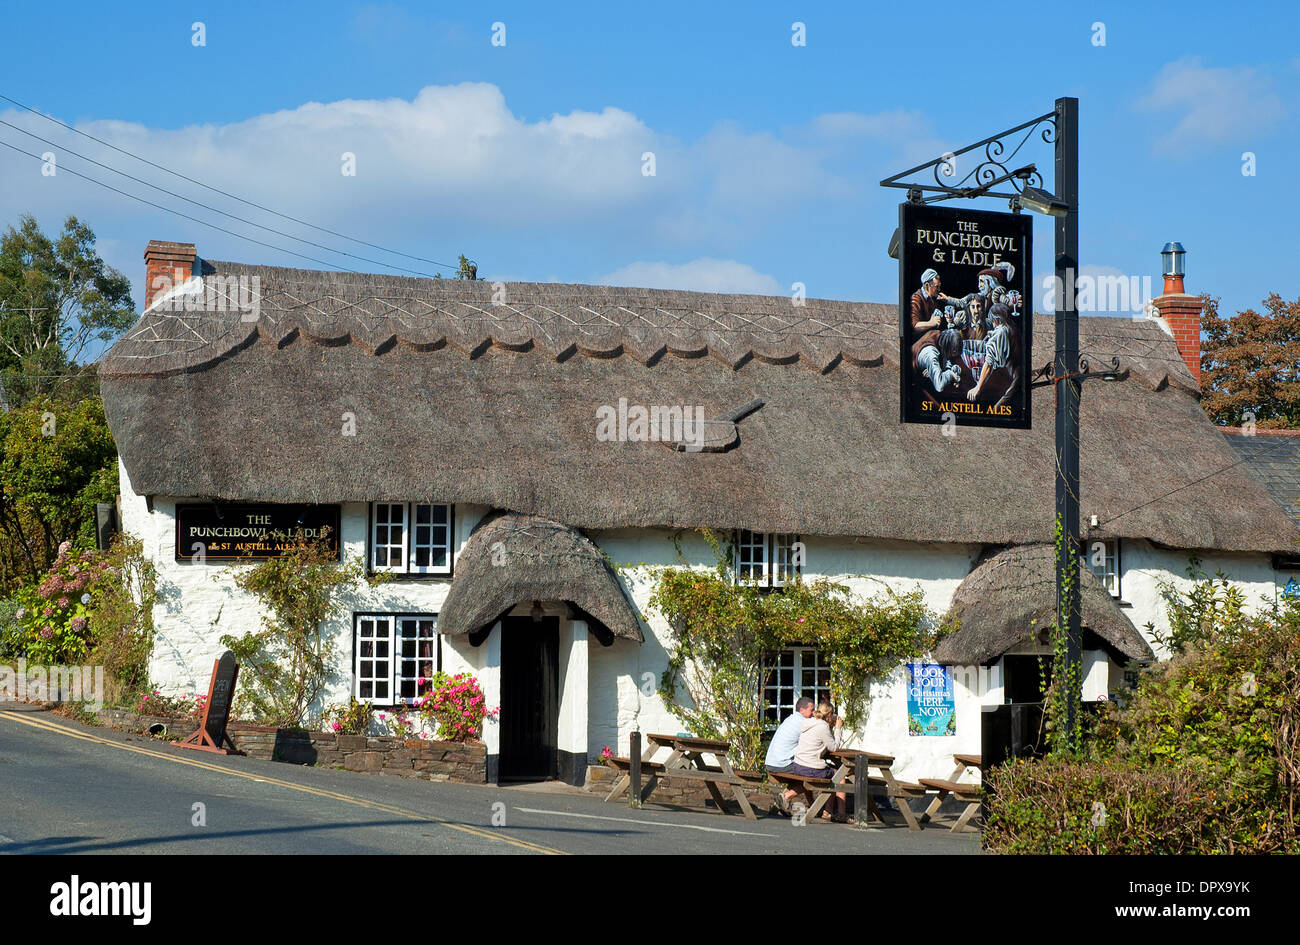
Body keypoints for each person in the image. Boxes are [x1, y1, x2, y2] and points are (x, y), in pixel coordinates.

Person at [792, 701, 848, 821]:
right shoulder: (822, 726)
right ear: (829, 715)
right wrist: (838, 729)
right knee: (839, 775)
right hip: (809, 768)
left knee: (832, 772)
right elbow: (834, 747)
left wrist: (830, 727)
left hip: (798, 765)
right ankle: (840, 813)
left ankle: (828, 812)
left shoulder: (809, 722)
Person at [765, 696, 815, 814]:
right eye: (811, 710)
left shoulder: (791, 719)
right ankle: (785, 797)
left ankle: (812, 806)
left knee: (807, 772)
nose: (813, 713)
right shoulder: (803, 723)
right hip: (782, 764)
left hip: (771, 762)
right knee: (814, 775)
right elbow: (813, 744)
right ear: (802, 710)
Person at [909, 269, 960, 337]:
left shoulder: (934, 298)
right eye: (937, 287)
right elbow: (914, 326)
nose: (939, 289)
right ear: (927, 285)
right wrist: (931, 323)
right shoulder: (916, 298)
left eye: (939, 286)